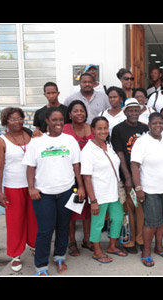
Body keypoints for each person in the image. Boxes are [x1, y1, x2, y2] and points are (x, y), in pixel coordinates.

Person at [22, 107, 85, 276]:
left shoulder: (70, 140)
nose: (58, 123)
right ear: (47, 122)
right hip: (43, 194)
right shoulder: (36, 142)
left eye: (61, 120)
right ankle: (41, 266)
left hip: (66, 191)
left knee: (63, 226)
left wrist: (81, 186)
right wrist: (31, 188)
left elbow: (76, 165)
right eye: (54, 120)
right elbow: (30, 167)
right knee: (45, 230)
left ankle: (59, 257)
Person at [131, 112, 163, 267]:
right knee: (151, 222)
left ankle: (159, 246)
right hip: (150, 189)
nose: (158, 125)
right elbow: (135, 165)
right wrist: (138, 188)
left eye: (160, 123)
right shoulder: (142, 141)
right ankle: (146, 250)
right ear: (149, 125)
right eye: (154, 123)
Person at [81, 116, 125, 263]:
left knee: (118, 218)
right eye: (99, 128)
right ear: (92, 130)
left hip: (114, 193)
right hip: (99, 194)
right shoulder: (88, 150)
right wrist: (93, 200)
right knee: (98, 223)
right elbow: (86, 178)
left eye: (105, 128)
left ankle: (112, 246)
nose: (103, 131)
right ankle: (97, 250)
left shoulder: (109, 145)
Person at [0, 107, 37, 272]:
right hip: (13, 186)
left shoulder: (31, 136)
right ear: (6, 121)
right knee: (15, 221)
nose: (17, 122)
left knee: (34, 218)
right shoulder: (2, 140)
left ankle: (35, 245)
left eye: (19, 118)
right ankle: (15, 255)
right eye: (13, 119)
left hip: (33, 185)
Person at [111, 98, 149, 254]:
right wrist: (128, 177)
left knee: (140, 209)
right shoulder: (118, 129)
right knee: (127, 210)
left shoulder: (145, 128)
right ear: (125, 112)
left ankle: (140, 239)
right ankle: (128, 241)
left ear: (140, 112)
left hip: (142, 177)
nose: (133, 113)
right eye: (130, 110)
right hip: (126, 177)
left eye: (136, 110)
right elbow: (120, 154)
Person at [62, 100, 94, 257]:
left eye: (82, 110)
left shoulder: (91, 128)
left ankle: (87, 240)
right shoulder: (65, 129)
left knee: (88, 209)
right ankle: (72, 241)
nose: (79, 113)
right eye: (76, 111)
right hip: (70, 175)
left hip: (90, 175)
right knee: (72, 210)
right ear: (69, 114)